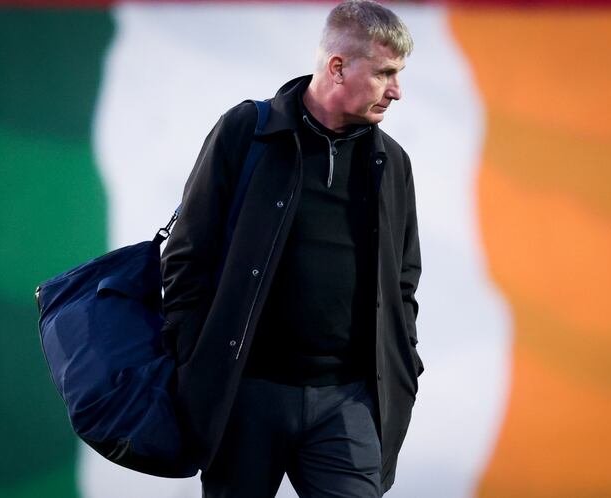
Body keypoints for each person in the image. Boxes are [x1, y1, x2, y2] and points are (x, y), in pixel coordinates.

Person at [160, 1, 422, 496]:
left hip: (347, 404)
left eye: (399, 74)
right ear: (338, 66)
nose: (397, 90)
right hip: (245, 398)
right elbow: (186, 256)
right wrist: (199, 360)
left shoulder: (393, 162)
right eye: (386, 72)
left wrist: (402, 361)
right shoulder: (246, 131)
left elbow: (404, 280)